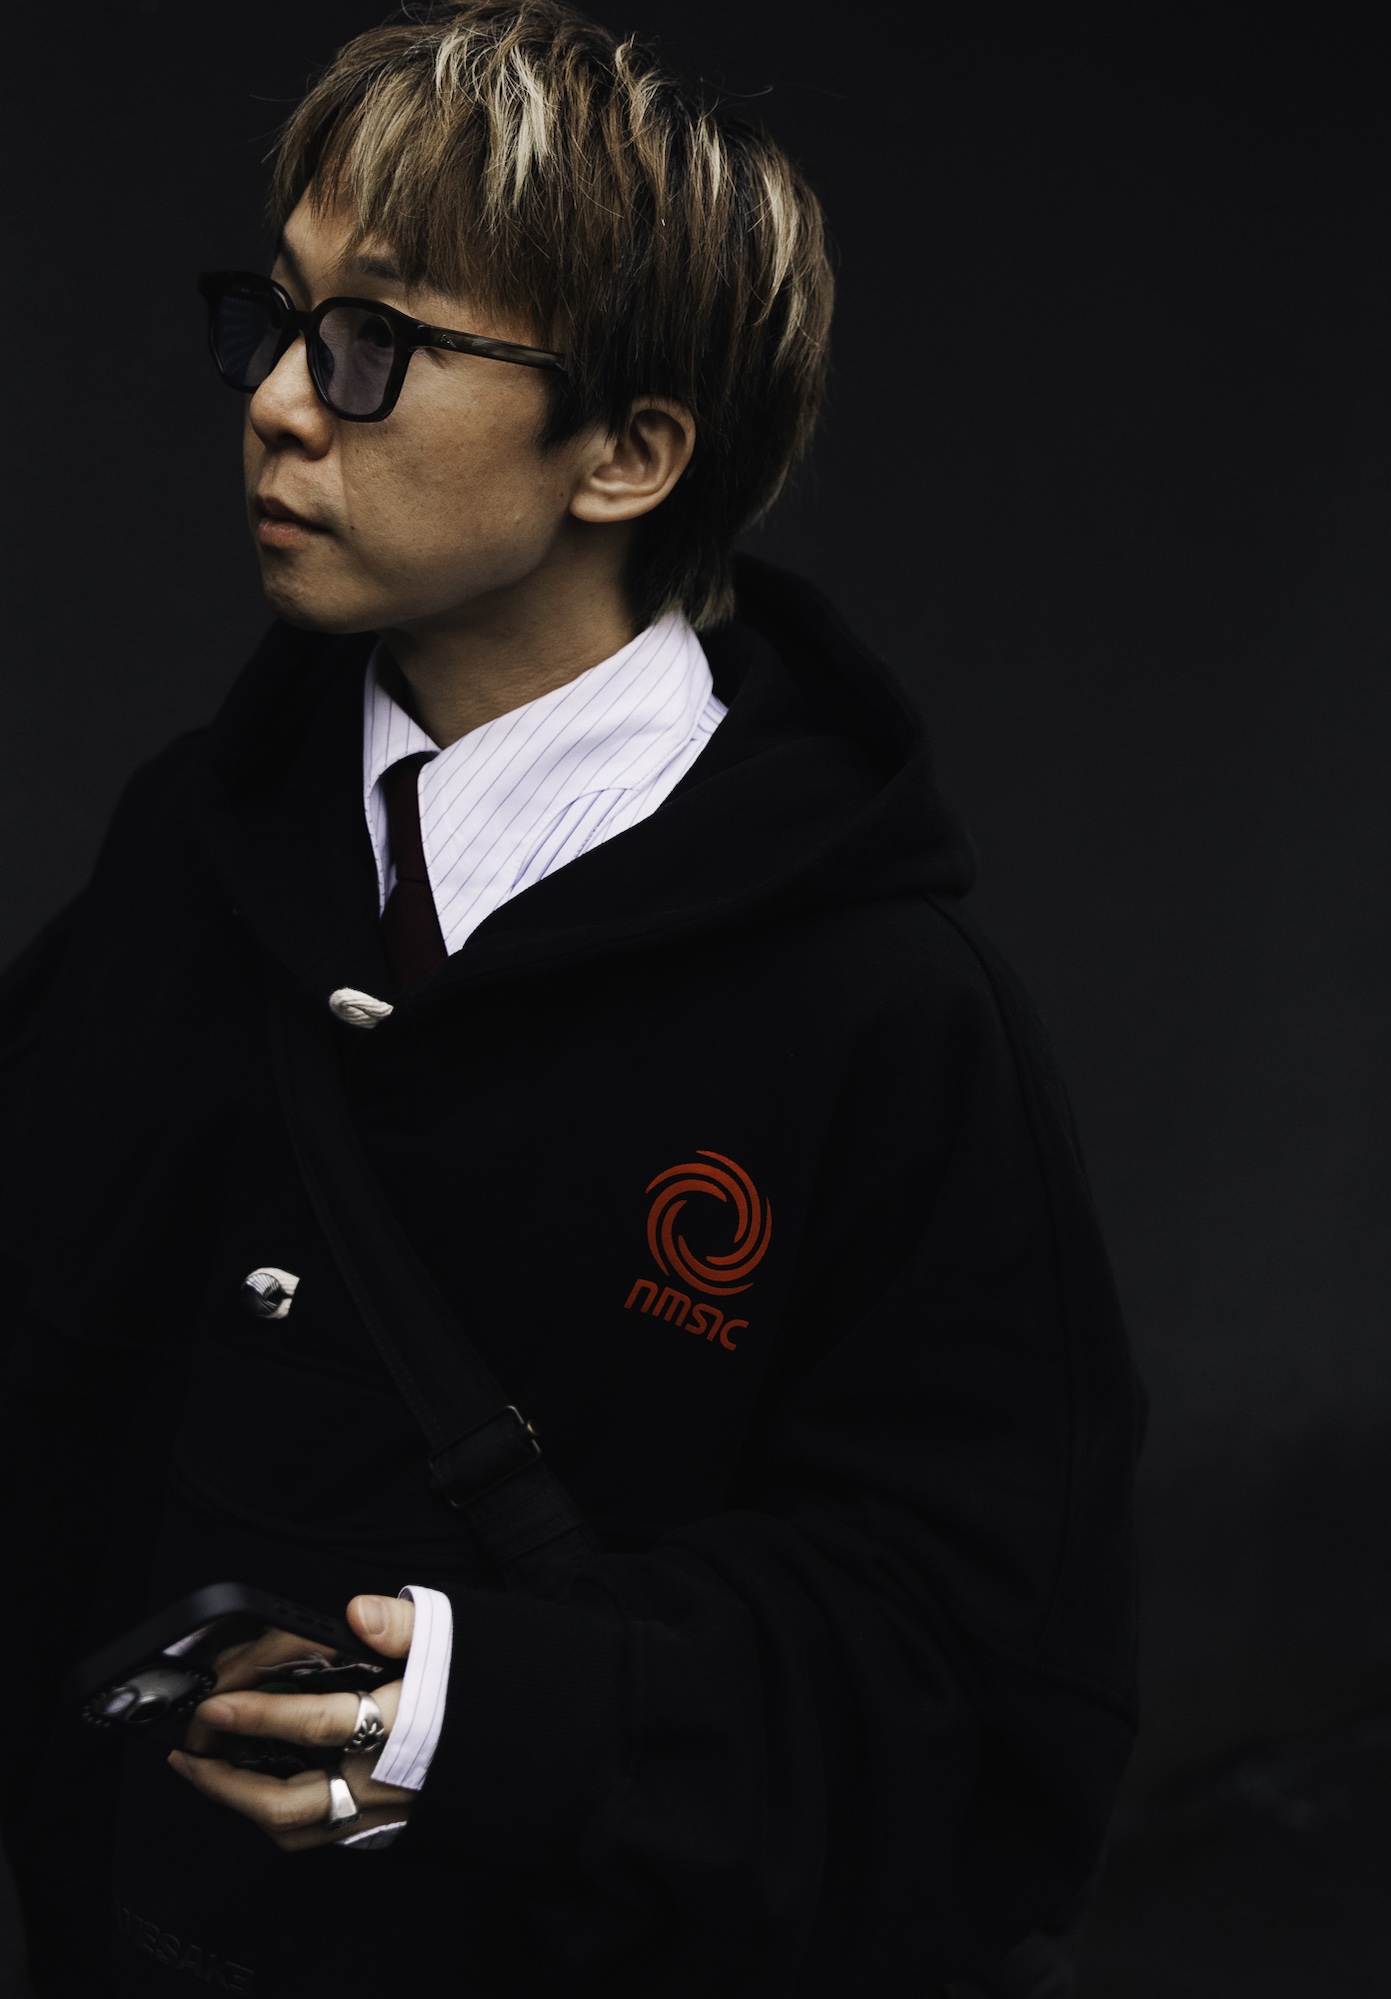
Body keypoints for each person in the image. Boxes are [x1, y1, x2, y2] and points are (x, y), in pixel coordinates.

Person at [0, 4, 1142, 1993]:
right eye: (274, 319)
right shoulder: (200, 843)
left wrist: (484, 1715)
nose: (279, 399)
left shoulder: (881, 1006)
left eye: (374, 342)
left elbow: (971, 1674)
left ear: (627, 452)